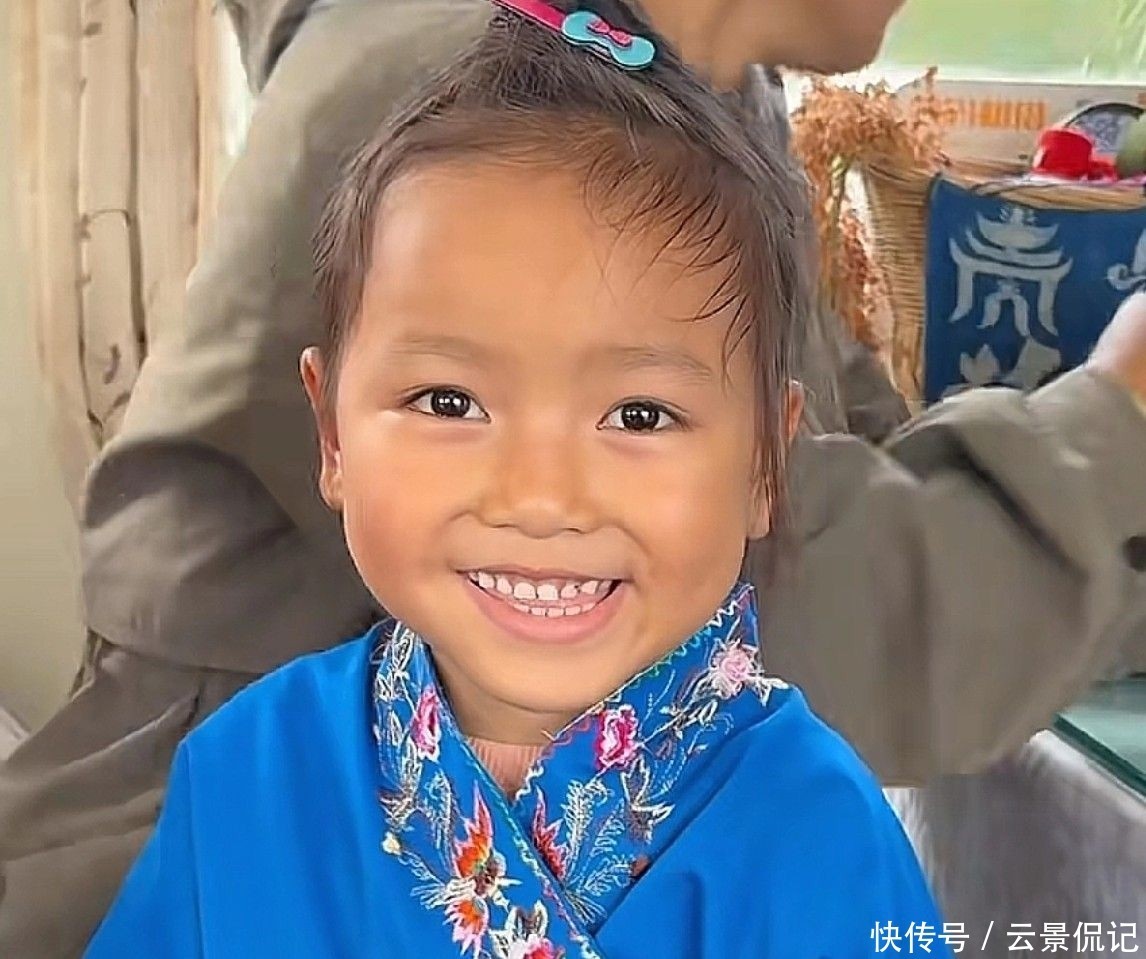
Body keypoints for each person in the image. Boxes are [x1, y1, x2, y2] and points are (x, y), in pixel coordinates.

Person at [2, 0, 1145, 954]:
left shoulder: (812, 828)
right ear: (331, 432)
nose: (541, 494)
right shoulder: (245, 776)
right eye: (450, 403)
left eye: (638, 415)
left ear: (769, 463)